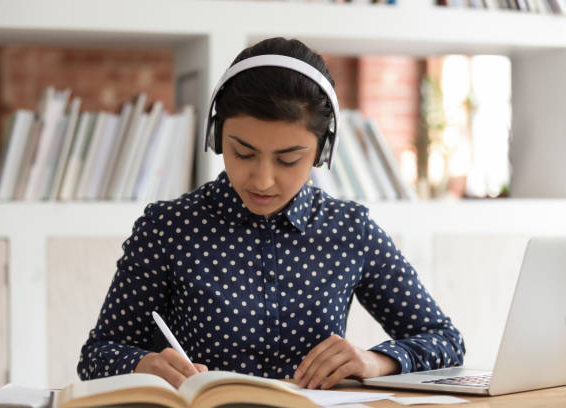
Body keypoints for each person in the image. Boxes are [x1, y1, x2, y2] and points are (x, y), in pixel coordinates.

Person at [77, 37, 465, 390]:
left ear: (321, 152)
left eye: (288, 159)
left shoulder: (351, 231)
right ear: (215, 137)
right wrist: (144, 362)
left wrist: (374, 361)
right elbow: (97, 356)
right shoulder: (168, 228)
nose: (262, 180)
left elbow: (445, 340)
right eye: (243, 153)